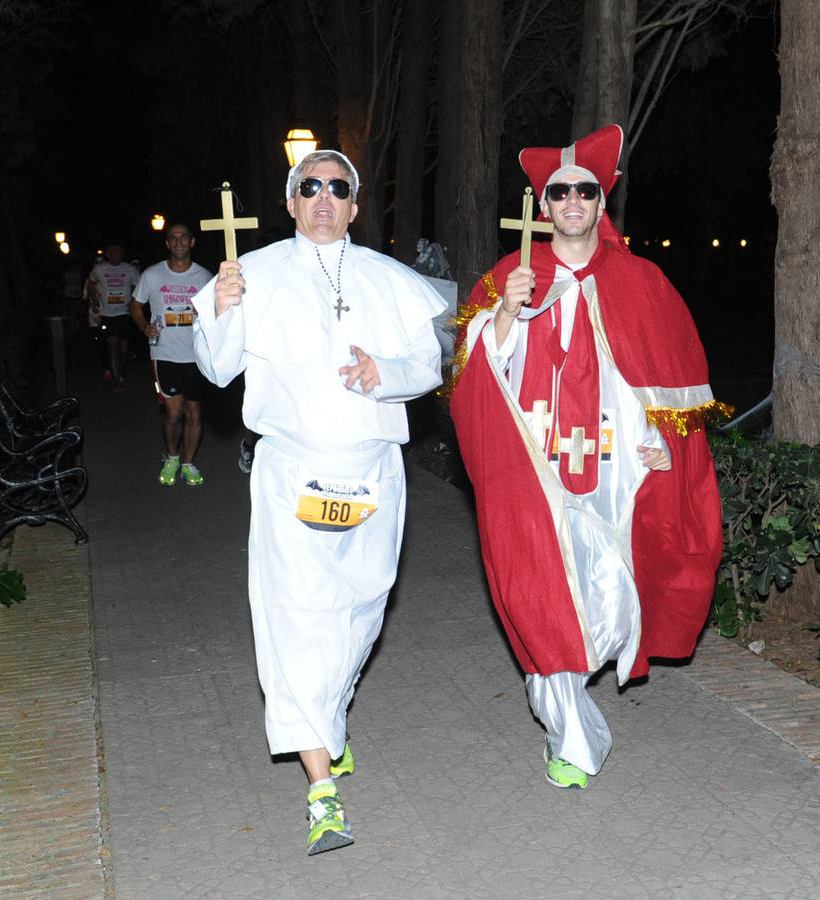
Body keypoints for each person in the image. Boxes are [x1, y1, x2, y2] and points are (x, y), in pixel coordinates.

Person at [449, 124, 726, 791]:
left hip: (613, 471)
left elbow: (658, 378)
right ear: (541, 208)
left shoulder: (642, 280)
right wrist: (506, 317)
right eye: (558, 192)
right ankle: (571, 738)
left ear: (603, 203)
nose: (572, 200)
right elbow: (472, 381)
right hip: (531, 472)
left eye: (585, 190)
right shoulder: (506, 279)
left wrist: (659, 441)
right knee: (535, 598)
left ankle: (582, 672)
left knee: (604, 597)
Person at [191, 150, 446, 856]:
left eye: (339, 188)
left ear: (356, 206)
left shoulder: (391, 279)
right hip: (291, 474)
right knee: (296, 619)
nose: (325, 197)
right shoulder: (256, 273)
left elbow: (431, 363)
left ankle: (327, 712)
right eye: (311, 187)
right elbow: (214, 369)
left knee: (362, 611)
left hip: (371, 474)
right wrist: (220, 307)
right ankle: (321, 788)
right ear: (291, 202)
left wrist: (384, 371)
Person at [131, 223, 215, 486]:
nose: (179, 242)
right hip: (164, 353)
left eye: (184, 238)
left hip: (197, 356)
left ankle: (188, 463)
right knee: (173, 413)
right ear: (167, 244)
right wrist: (144, 326)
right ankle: (171, 457)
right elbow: (135, 305)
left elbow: (216, 311)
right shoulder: (153, 274)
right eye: (173, 238)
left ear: (192, 242)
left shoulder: (204, 277)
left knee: (195, 413)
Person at [87, 243, 141, 390]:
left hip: (125, 313)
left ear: (122, 254)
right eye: (112, 252)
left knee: (124, 349)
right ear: (107, 254)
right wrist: (94, 299)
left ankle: (118, 371)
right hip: (107, 314)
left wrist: (134, 303)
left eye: (118, 251)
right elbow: (91, 283)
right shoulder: (99, 269)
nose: (115, 254)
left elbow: (138, 286)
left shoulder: (129, 269)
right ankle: (117, 380)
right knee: (112, 348)